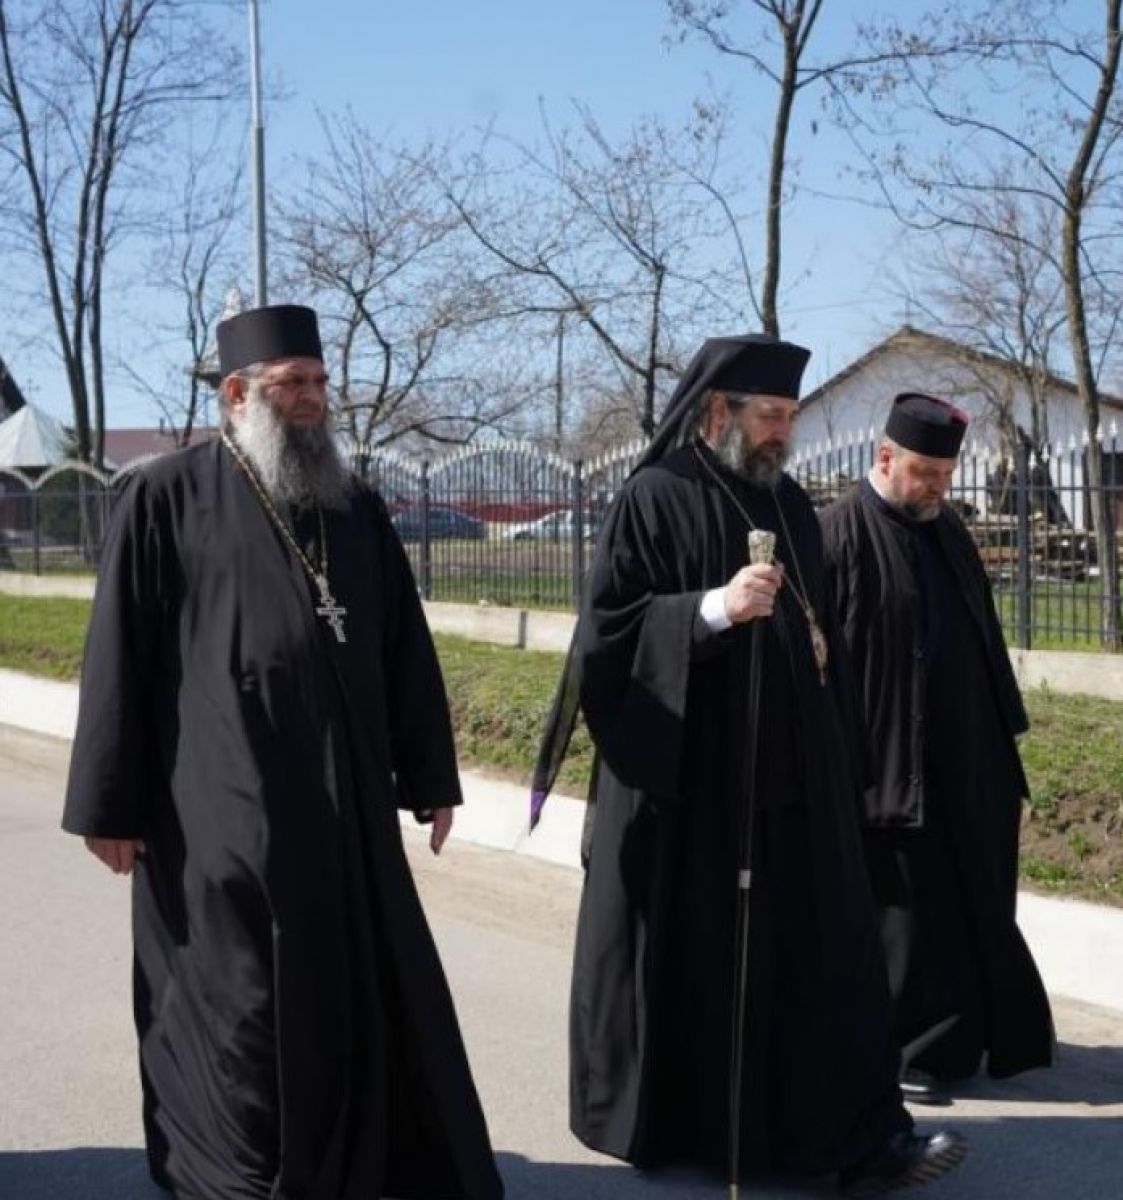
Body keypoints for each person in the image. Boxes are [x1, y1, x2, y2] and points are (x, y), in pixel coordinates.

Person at [62, 304, 504, 1200]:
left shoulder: (355, 506)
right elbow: (117, 658)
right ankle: (242, 1169)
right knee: (243, 993)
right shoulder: (164, 496)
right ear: (237, 394)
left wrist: (429, 775)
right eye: (291, 384)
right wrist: (108, 804)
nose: (311, 399)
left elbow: (403, 648)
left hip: (346, 802)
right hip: (216, 801)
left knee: (352, 980)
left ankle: (358, 1157)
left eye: (319, 382)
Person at [532, 335, 966, 1195]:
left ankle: (850, 1137)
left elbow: (820, 628)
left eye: (790, 417)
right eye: (769, 415)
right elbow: (606, 638)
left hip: (791, 778)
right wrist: (711, 611)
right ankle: (716, 1132)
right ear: (716, 411)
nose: (782, 432)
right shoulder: (655, 495)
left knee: (825, 951)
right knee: (708, 965)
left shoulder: (790, 502)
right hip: (693, 787)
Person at [819, 392, 1054, 1104]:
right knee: (908, 915)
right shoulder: (836, 533)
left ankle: (965, 1039)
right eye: (924, 473)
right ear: (885, 457)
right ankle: (904, 1052)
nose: (936, 489)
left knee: (972, 897)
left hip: (968, 753)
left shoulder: (945, 526)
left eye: (945, 477)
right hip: (887, 759)